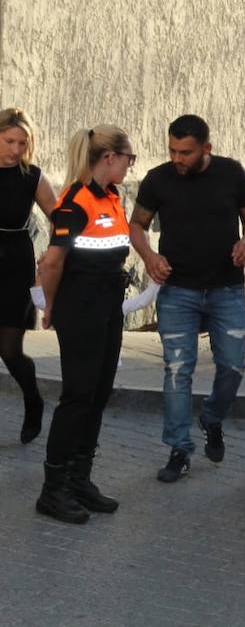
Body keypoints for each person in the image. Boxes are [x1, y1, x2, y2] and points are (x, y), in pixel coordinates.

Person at [130, 114, 245, 484]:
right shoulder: (157, 179)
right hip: (177, 291)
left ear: (207, 148)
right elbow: (136, 224)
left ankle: (212, 417)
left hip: (226, 288)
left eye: (185, 152)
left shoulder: (231, 173)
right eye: (172, 150)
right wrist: (150, 257)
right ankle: (178, 449)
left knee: (234, 364)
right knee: (176, 370)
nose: (177, 158)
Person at [34, 126, 139, 524]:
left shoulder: (111, 197)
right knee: (78, 395)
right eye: (129, 157)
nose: (131, 165)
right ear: (108, 157)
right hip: (80, 308)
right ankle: (52, 489)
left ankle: (80, 479)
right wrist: (50, 307)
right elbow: (53, 262)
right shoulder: (75, 202)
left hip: (108, 305)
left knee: (99, 392)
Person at [0, 108, 57, 444]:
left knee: (9, 350)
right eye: (9, 141)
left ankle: (33, 401)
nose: (15, 149)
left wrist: (52, 256)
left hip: (14, 263)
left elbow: (60, 219)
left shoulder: (32, 176)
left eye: (22, 143)